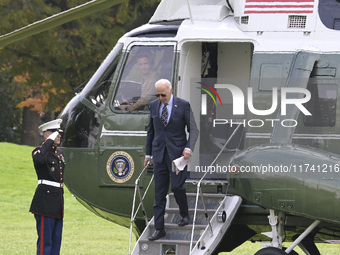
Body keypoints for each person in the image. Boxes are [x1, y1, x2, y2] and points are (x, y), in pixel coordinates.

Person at [144, 79, 199, 241]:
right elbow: (151, 131)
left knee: (176, 186)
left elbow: (194, 129)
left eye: (163, 94)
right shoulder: (154, 105)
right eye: (158, 94)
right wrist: (148, 154)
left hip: (177, 155)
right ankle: (159, 228)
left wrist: (189, 147)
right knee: (159, 192)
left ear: (171, 90)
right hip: (159, 154)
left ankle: (184, 214)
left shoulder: (183, 105)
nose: (161, 97)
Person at [29, 119, 65, 255]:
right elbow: (39, 160)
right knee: (46, 242)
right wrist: (49, 141)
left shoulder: (59, 153)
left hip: (57, 202)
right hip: (45, 202)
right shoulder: (39, 152)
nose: (59, 135)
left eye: (59, 133)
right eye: (56, 133)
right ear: (47, 135)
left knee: (56, 241)